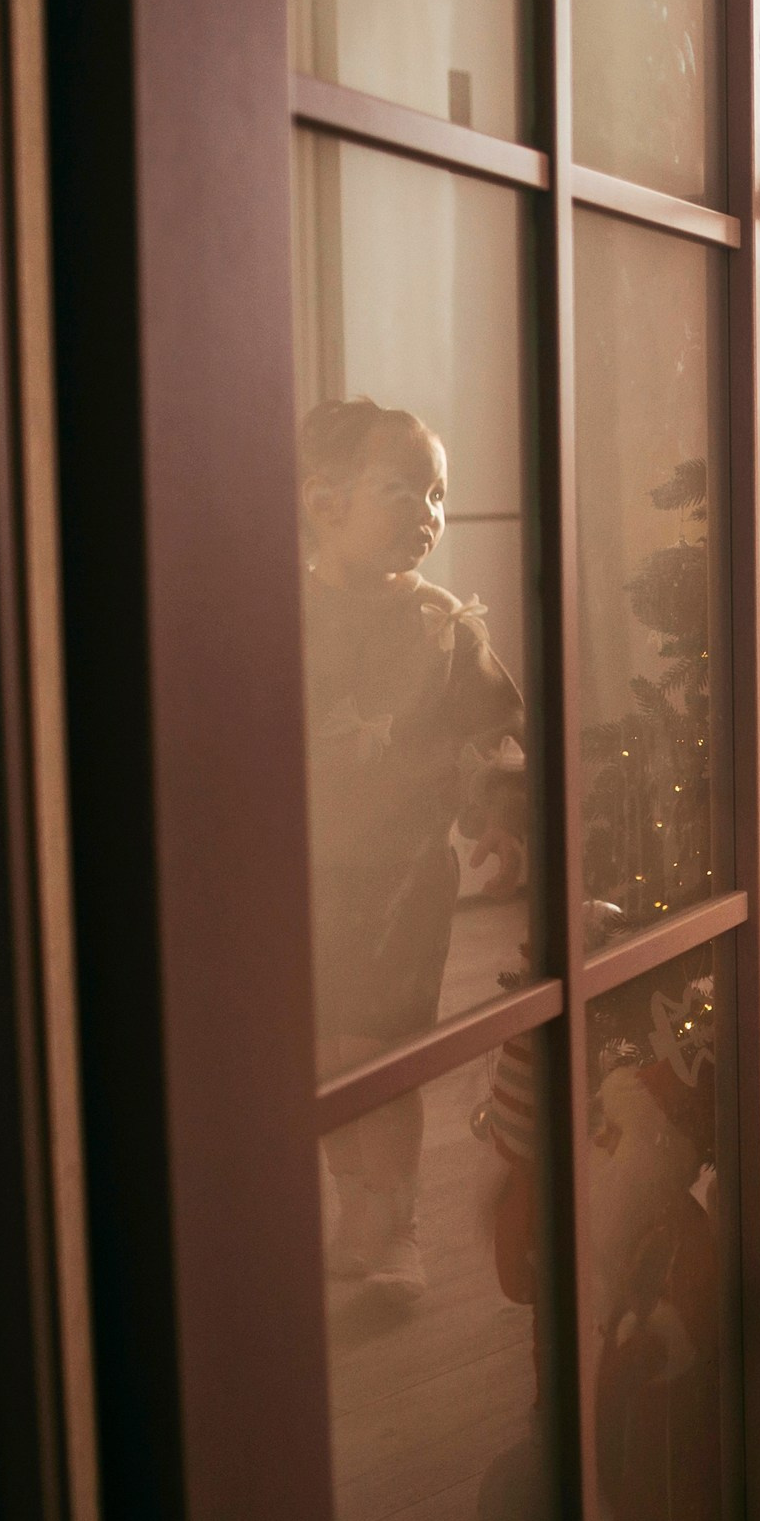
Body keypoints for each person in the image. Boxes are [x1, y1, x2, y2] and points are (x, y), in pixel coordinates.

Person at [300, 397, 528, 1301]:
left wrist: (499, 817)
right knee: (320, 1049)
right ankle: (354, 1207)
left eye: (439, 494)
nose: (430, 513)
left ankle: (397, 1226)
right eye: (405, 491)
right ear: (324, 502)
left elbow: (490, 731)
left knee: (380, 1048)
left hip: (403, 879)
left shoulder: (439, 622)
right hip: (309, 876)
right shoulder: (283, 614)